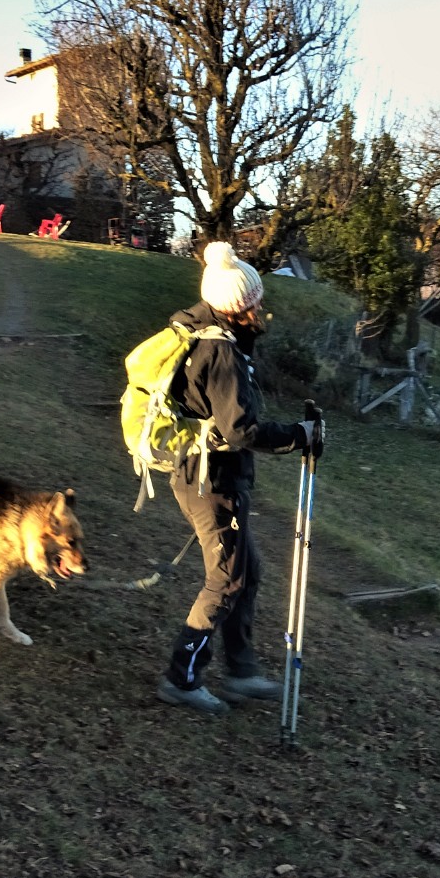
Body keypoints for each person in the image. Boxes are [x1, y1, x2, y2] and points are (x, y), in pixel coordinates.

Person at [156, 241, 321, 716]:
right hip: (214, 483)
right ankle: (181, 678)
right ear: (239, 307)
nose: (260, 309)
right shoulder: (220, 351)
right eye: (255, 302)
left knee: (246, 575)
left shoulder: (204, 334)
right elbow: (241, 430)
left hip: (206, 474)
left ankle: (241, 671)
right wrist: (299, 436)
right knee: (226, 581)